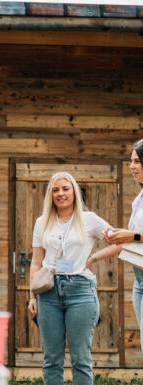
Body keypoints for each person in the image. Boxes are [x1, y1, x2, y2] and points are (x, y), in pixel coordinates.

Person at [28, 171, 119, 385]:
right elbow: (36, 262)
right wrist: (32, 296)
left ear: (74, 192)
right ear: (50, 195)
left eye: (65, 189)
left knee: (81, 358)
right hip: (48, 293)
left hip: (80, 291)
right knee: (51, 359)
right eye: (56, 190)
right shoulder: (42, 222)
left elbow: (120, 241)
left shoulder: (89, 220)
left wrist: (94, 257)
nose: (61, 194)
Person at [104, 139, 143, 354]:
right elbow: (134, 238)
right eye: (131, 161)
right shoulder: (139, 199)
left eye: (137, 161)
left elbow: (136, 236)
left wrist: (132, 235)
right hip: (139, 281)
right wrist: (118, 236)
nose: (131, 166)